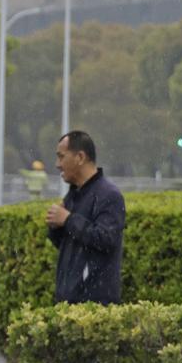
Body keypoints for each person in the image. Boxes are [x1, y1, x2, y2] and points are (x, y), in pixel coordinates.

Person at [45, 131, 125, 305]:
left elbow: (106, 239)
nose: (57, 164)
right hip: (67, 302)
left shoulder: (109, 195)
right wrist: (55, 226)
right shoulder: (74, 193)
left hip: (94, 307)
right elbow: (68, 243)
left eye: (61, 157)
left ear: (80, 157)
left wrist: (68, 220)